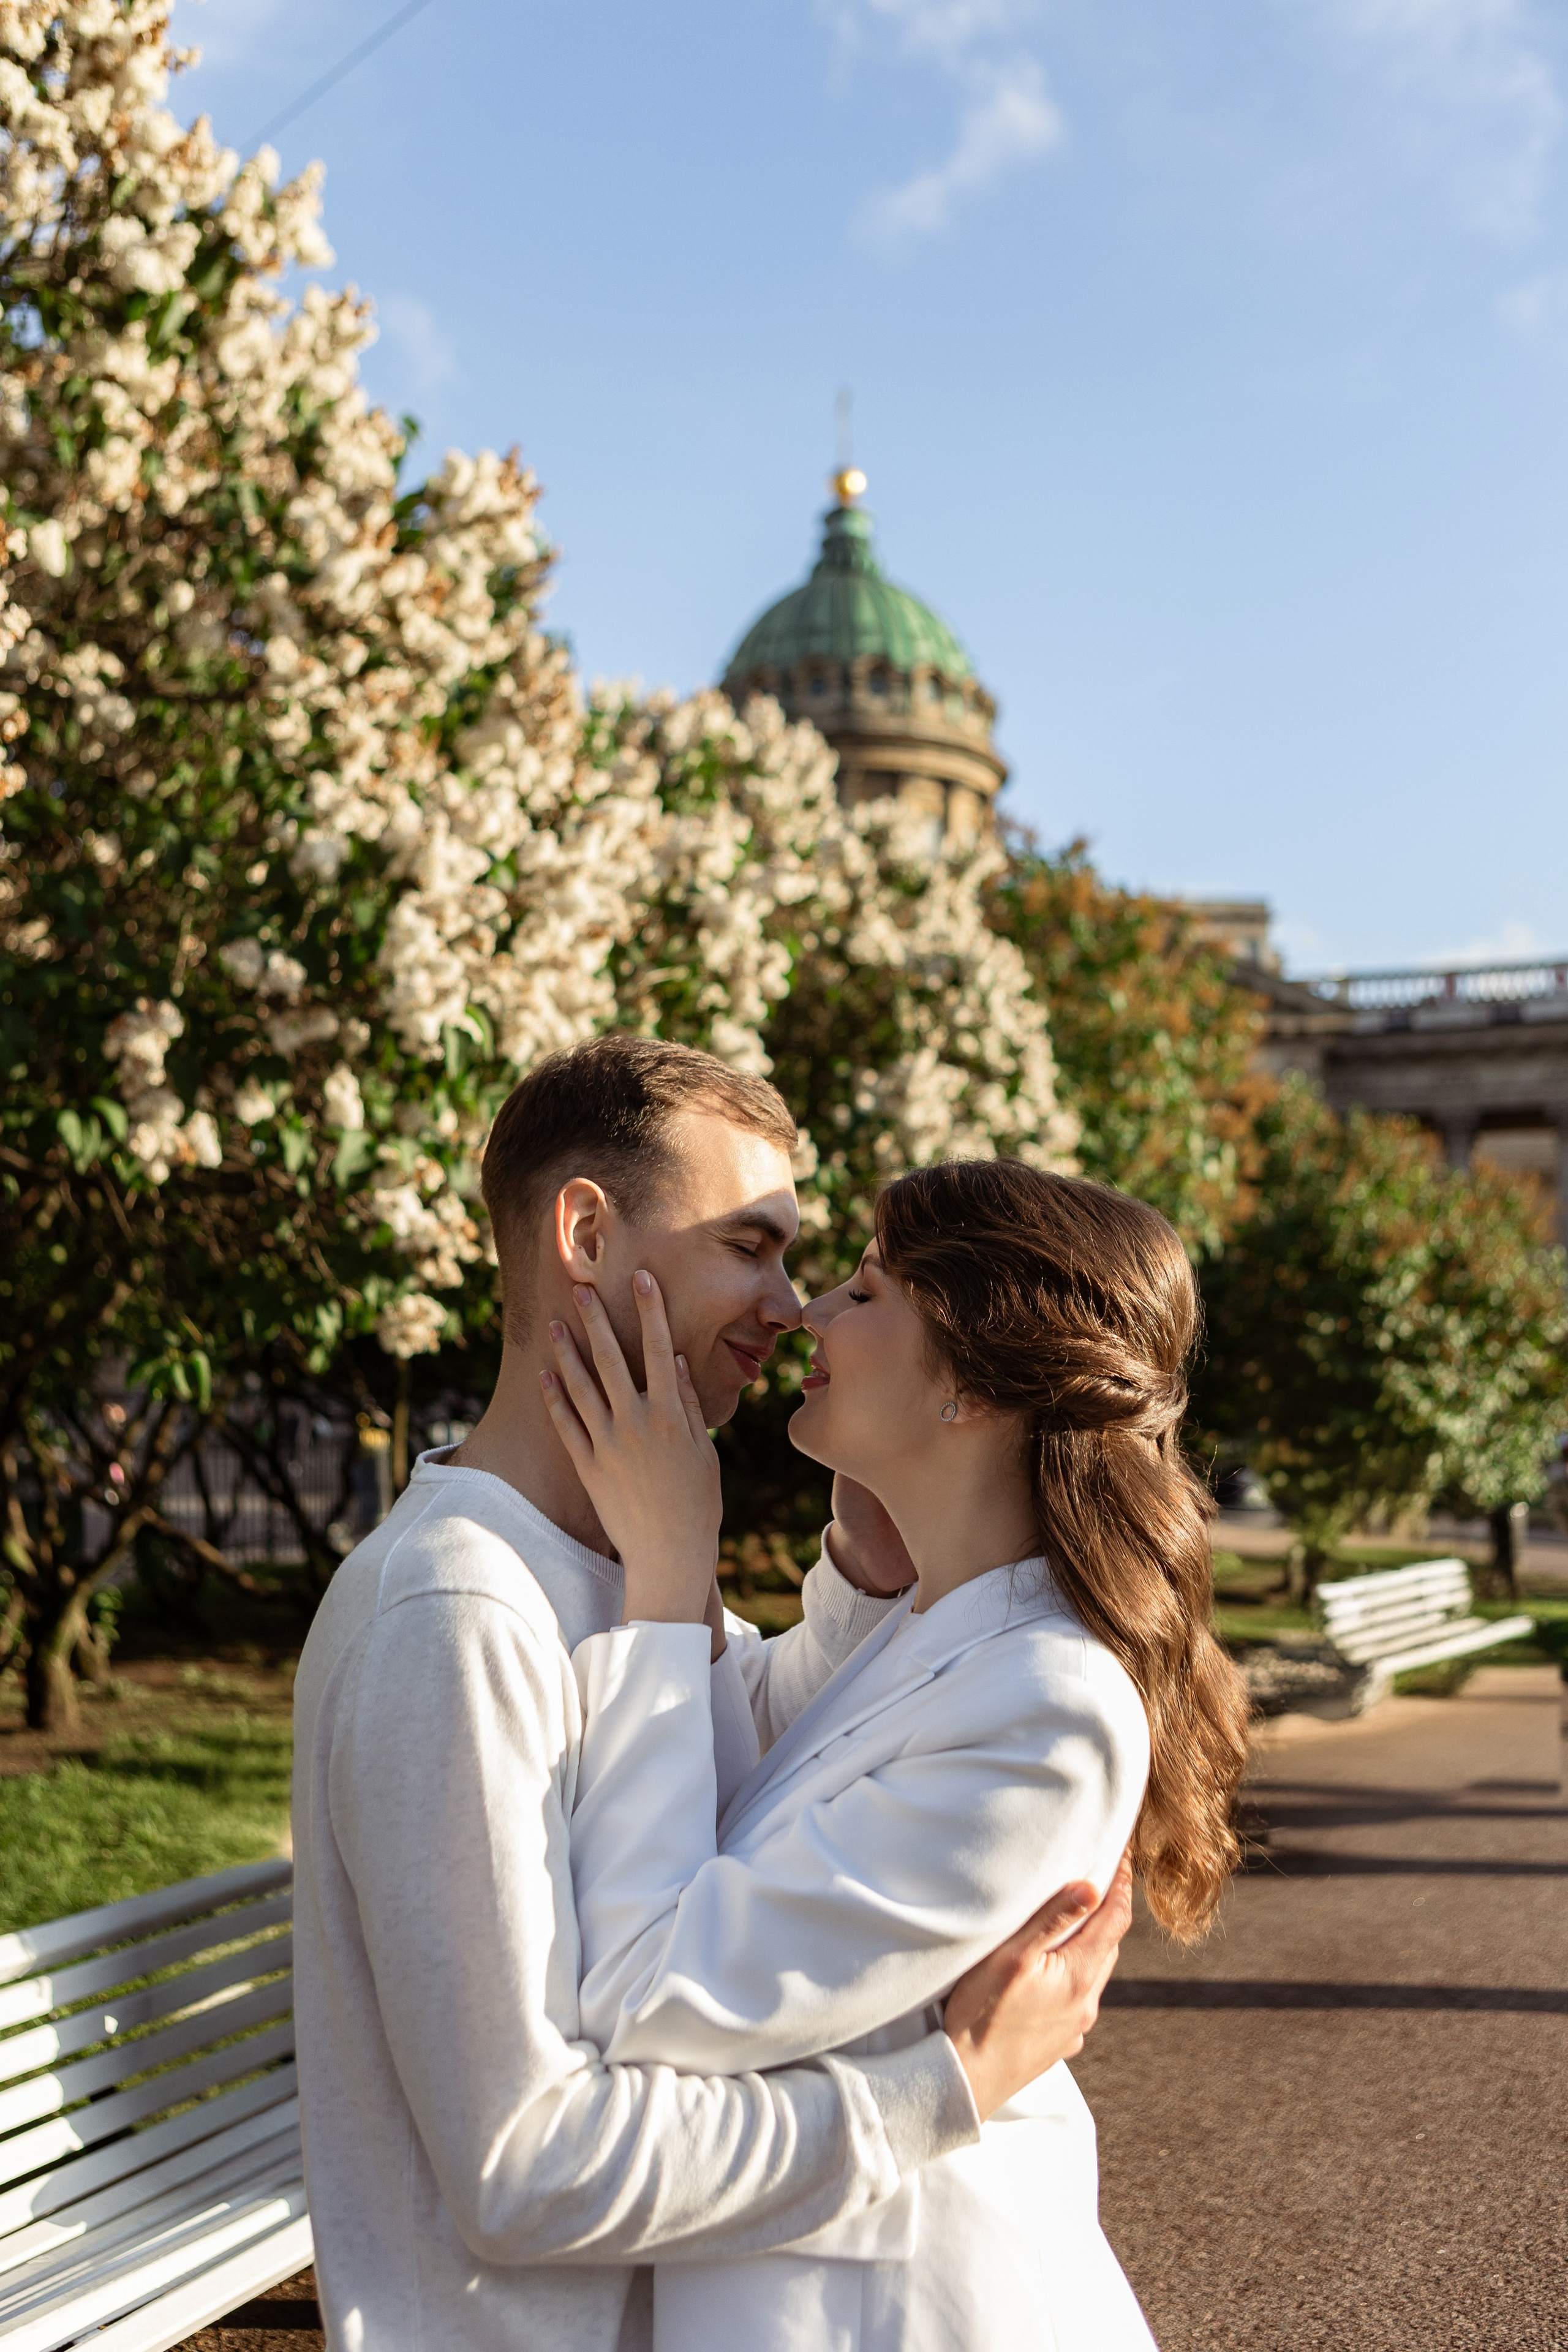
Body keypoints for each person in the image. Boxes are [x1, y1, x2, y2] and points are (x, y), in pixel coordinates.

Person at [291, 1036, 1134, 2352]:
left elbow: (742, 1757)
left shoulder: (615, 1571)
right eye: (750, 1247)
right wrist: (947, 2086)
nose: (790, 1307)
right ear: (584, 1233)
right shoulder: (457, 1612)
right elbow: (529, 2165)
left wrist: (859, 1561)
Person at [541, 1155, 1253, 2351]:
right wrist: (866, 1562)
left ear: (966, 1387)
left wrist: (671, 1573)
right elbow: (745, 1775)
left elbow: (657, 1991)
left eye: (864, 1294)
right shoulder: (945, 1623)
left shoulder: (1047, 1706)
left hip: (903, 2310)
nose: (805, 1313)